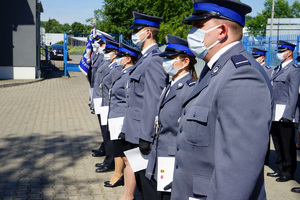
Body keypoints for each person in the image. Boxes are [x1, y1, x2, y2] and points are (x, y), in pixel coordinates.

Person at [170, 0, 272, 199]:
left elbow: (237, 171)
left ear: (222, 31)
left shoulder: (242, 77)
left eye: (198, 26)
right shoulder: (216, 70)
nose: (191, 33)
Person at [119, 12, 168, 200]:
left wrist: (146, 135)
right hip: (135, 129)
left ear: (147, 32)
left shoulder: (154, 59)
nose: (134, 34)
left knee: (147, 185)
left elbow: (152, 100)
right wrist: (126, 128)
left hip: (143, 132)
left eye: (136, 30)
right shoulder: (143, 57)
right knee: (140, 182)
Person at [145, 34, 197, 200]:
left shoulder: (189, 89)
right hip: (160, 154)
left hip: (173, 159)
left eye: (170, 58)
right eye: (165, 58)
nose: (165, 62)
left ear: (185, 62)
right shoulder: (170, 85)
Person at [105, 43, 140, 192]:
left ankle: (119, 175)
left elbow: (129, 99)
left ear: (129, 59)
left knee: (121, 150)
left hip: (122, 118)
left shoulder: (131, 74)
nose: (118, 58)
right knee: (116, 147)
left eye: (121, 56)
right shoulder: (123, 71)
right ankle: (119, 174)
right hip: (116, 116)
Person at [267, 40, 300, 182]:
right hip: (275, 112)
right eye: (279, 51)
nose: (279, 54)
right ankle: (279, 168)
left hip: (285, 113)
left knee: (287, 145)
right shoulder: (277, 69)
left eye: (282, 51)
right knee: (277, 142)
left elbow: (293, 95)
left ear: (289, 53)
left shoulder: (294, 69)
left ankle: (288, 171)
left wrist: (289, 115)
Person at [93, 38, 119, 173]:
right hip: (103, 103)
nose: (105, 52)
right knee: (105, 133)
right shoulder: (110, 64)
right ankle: (108, 159)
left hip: (109, 105)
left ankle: (110, 161)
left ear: (115, 52)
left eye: (108, 50)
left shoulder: (116, 67)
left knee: (109, 135)